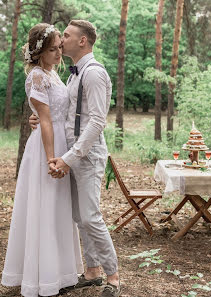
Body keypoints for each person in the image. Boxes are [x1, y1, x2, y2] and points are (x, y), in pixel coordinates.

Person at [30, 20, 121, 297]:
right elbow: (63, 111)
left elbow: (96, 122)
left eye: (66, 36)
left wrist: (69, 157)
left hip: (87, 154)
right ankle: (92, 271)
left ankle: (113, 276)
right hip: (71, 153)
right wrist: (37, 116)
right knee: (79, 216)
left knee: (91, 216)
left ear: (82, 41)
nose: (61, 41)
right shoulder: (71, 74)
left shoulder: (93, 74)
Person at [1, 23, 83, 297]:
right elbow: (45, 119)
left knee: (59, 207)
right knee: (45, 207)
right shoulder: (37, 76)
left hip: (62, 140)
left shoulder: (53, 74)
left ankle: (61, 272)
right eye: (52, 49)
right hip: (48, 146)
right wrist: (51, 158)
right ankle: (42, 276)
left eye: (60, 47)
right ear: (38, 53)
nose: (59, 53)